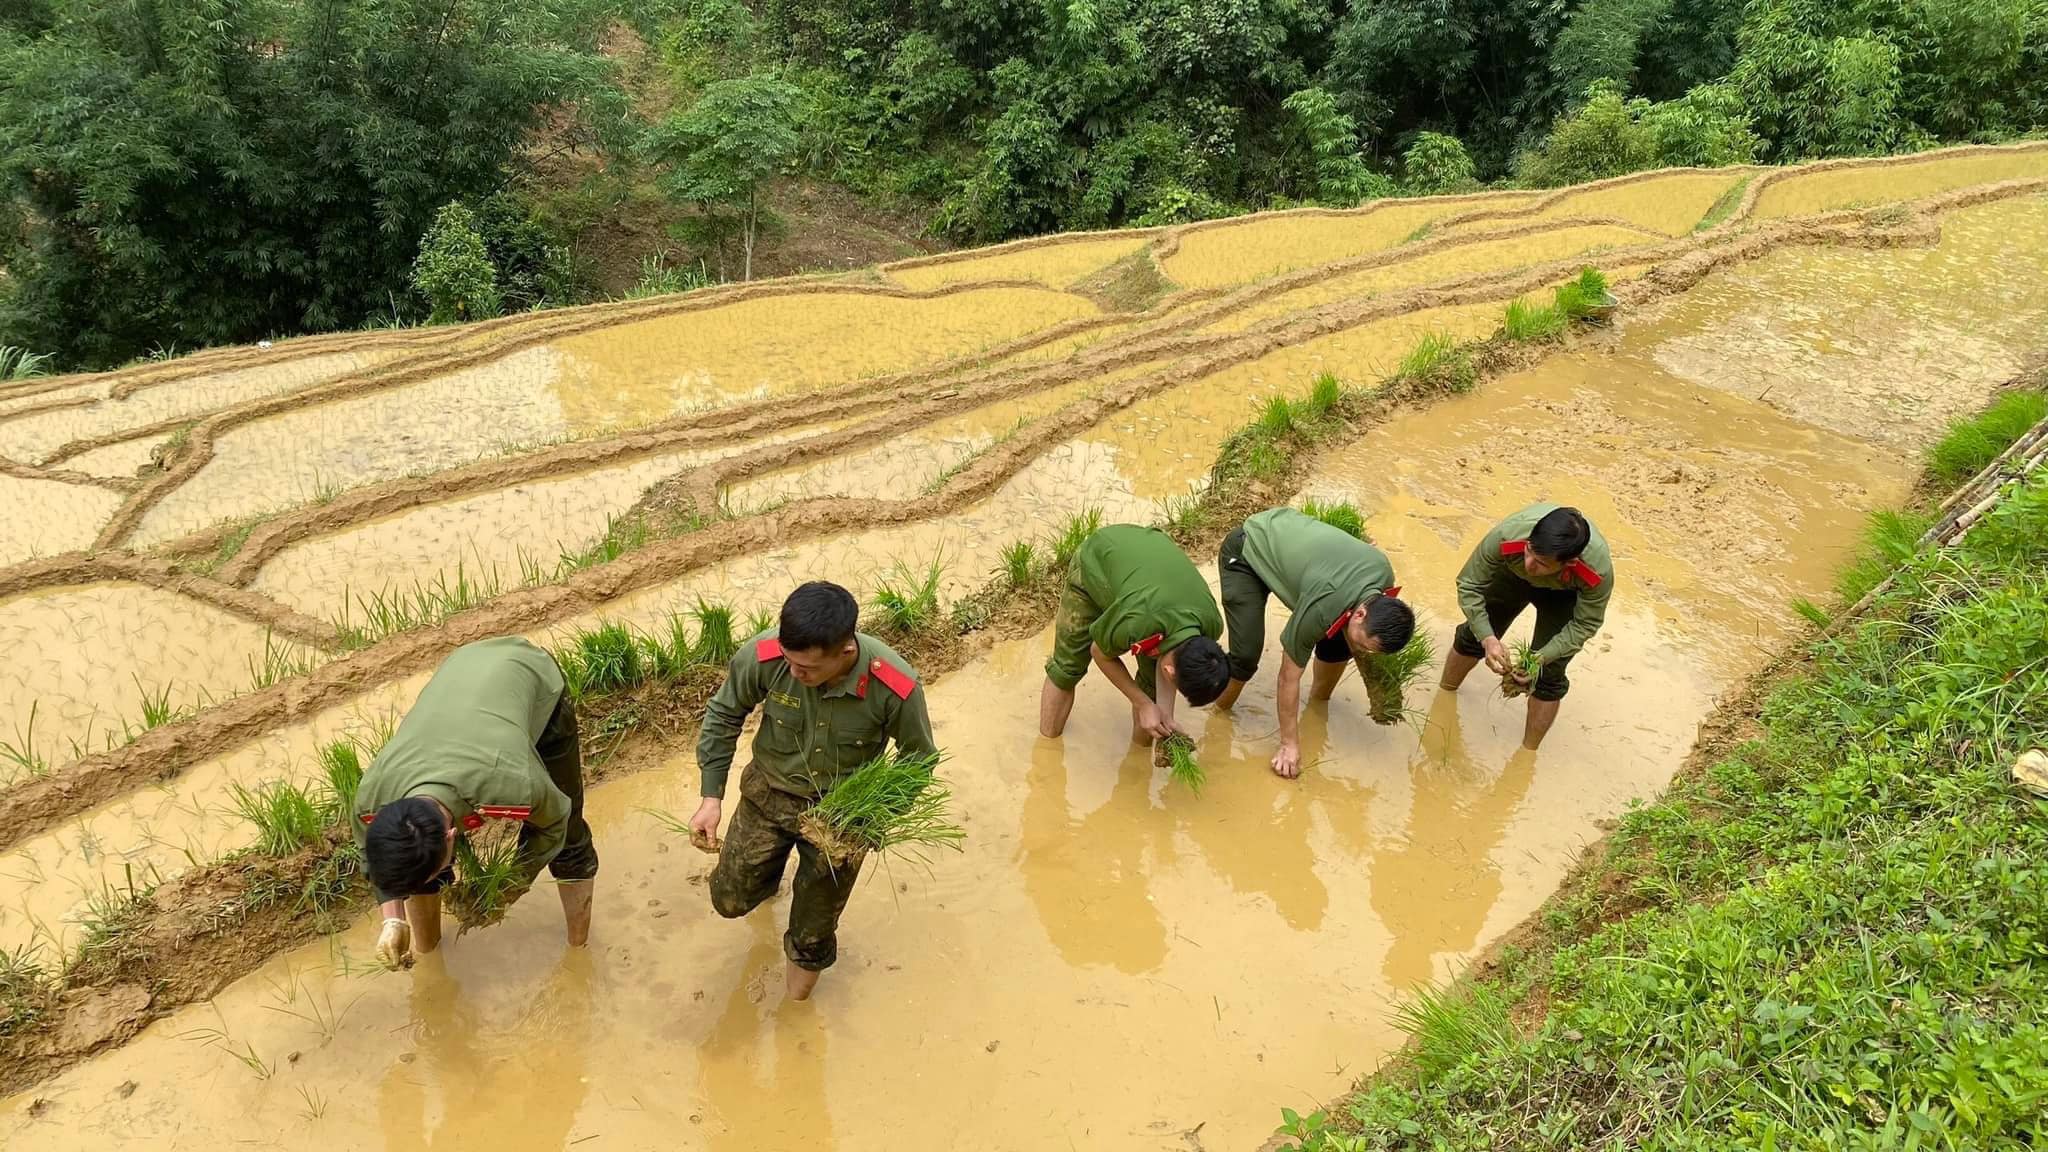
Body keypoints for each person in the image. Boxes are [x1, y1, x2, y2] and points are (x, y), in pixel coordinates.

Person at [686, 581, 937, 1001]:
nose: (797, 674)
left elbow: (919, 759)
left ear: (846, 650)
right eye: (791, 663)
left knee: (812, 934)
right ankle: (770, 882)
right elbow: (725, 713)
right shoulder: (764, 656)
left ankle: (794, 1013)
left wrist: (871, 822)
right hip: (769, 793)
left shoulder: (894, 685)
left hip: (840, 817)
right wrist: (712, 797)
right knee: (730, 899)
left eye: (809, 669)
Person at [357, 636, 598, 971]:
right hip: (461, 675)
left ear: (452, 836)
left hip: (527, 672)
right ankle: (430, 956)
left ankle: (579, 951)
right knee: (421, 867)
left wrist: (509, 886)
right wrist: (392, 921)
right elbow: (380, 865)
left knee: (569, 843)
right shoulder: (370, 801)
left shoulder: (514, 784)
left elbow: (556, 820)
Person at [1212, 506, 1416, 777]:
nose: (1364, 653)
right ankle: (1216, 714)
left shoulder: (1382, 576)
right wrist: (1289, 744)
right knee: (1246, 655)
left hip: (1296, 548)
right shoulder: (1324, 604)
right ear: (1361, 613)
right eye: (1366, 646)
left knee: (1342, 642)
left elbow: (1353, 628)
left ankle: (1319, 704)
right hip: (1249, 549)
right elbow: (1288, 676)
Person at [1438, 503, 1614, 750]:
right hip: (1511, 574)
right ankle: (1443, 696)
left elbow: (1586, 623)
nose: (1530, 563)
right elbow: (1469, 585)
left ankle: (1527, 753)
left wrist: (1539, 659)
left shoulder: (1597, 571)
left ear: (1570, 562)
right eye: (1529, 551)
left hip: (1564, 594)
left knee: (1549, 674)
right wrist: (1488, 638)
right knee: (1472, 636)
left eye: (1541, 562)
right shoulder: (1507, 536)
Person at [1037, 523, 1231, 743]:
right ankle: (1046, 746)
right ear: (1169, 669)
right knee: (1066, 669)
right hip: (1099, 558)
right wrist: (1143, 704)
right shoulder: (1137, 622)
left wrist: (1164, 715)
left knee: (1150, 690)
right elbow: (1099, 653)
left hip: (1145, 571)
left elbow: (1169, 667)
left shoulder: (1211, 625)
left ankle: (1138, 761)